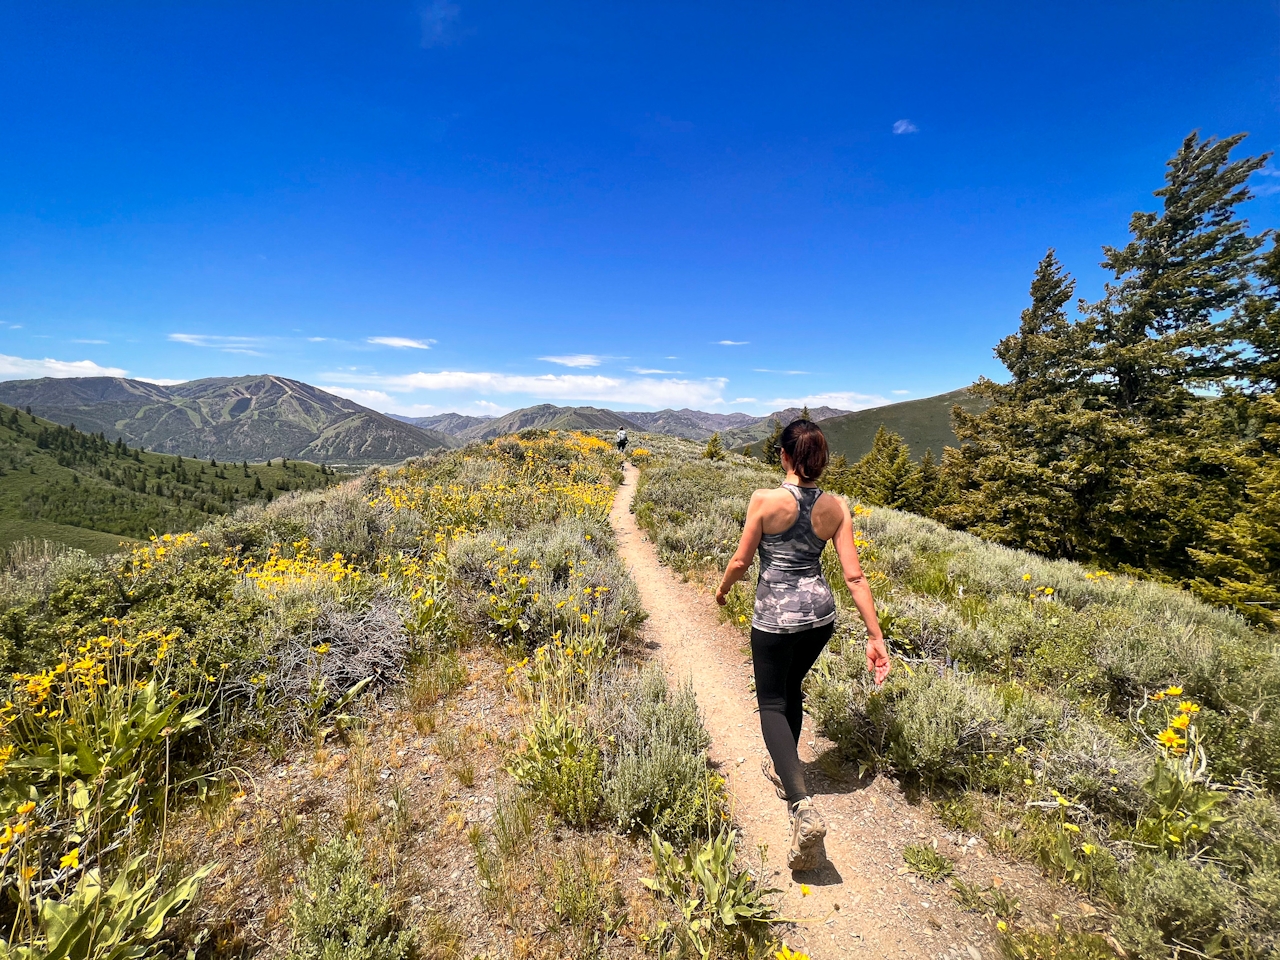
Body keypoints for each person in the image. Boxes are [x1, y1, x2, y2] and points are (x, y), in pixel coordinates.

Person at [715, 418, 890, 871]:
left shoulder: (765, 501)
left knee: (772, 701)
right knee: (793, 687)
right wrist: (875, 635)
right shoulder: (836, 507)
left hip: (775, 618)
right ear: (820, 461)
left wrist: (723, 589)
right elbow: (854, 576)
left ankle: (800, 805)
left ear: (785, 456)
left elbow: (741, 560)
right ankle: (786, 765)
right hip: (819, 618)